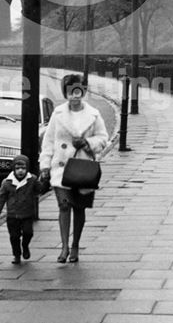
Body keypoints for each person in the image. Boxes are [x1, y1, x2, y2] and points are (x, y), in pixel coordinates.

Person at [38, 74, 108, 263]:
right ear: (66, 93)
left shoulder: (93, 114)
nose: (75, 95)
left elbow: (103, 138)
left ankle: (75, 244)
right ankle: (64, 247)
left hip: (83, 168)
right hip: (61, 167)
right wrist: (44, 165)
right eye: (70, 91)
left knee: (79, 208)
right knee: (64, 205)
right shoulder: (58, 114)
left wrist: (87, 142)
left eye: (78, 91)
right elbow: (49, 141)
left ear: (83, 92)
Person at [0, 154, 39, 264]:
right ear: (13, 169)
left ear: (27, 169)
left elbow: (39, 189)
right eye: (17, 168)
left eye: (23, 168)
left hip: (27, 213)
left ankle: (25, 245)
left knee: (28, 233)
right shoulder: (7, 182)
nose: (20, 171)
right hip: (12, 215)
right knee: (14, 236)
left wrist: (42, 180)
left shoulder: (32, 180)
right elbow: (1, 197)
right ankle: (16, 255)